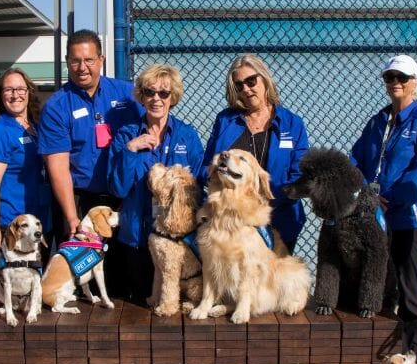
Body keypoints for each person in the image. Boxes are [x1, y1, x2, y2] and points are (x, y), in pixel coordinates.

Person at [351, 54, 417, 364]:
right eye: (390, 77)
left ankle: (414, 360)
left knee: (409, 289)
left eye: (402, 77)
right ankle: (380, 354)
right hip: (376, 214)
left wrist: (391, 196)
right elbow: (357, 157)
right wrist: (365, 191)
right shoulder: (379, 121)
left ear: (415, 81)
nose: (396, 83)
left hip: (409, 218)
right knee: (378, 281)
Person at [37, 29, 141, 293]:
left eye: (89, 60)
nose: (82, 67)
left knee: (124, 273)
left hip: (123, 197)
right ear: (67, 62)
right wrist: (72, 217)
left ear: (101, 59)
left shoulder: (127, 94)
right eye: (75, 61)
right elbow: (58, 167)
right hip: (81, 200)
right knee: (83, 278)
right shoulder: (57, 106)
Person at [108, 64, 204, 302]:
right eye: (150, 92)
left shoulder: (187, 136)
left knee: (177, 302)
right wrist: (130, 150)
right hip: (138, 237)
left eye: (164, 93)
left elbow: (198, 189)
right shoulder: (127, 134)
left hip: (177, 240)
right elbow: (117, 188)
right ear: (141, 95)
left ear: (173, 97)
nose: (156, 99)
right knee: (141, 305)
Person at [202, 54, 309, 252]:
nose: (246, 89)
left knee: (273, 280)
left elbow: (299, 176)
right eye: (239, 85)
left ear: (265, 79)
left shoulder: (292, 123)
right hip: (232, 223)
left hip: (280, 220)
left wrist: (266, 199)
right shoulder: (225, 121)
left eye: (251, 81)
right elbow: (206, 168)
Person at [0, 68, 51, 259]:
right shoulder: (0, 131)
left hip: (38, 220)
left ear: (29, 92)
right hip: (13, 224)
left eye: (20, 89)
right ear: (0, 95)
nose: (15, 95)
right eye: (8, 90)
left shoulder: (36, 127)